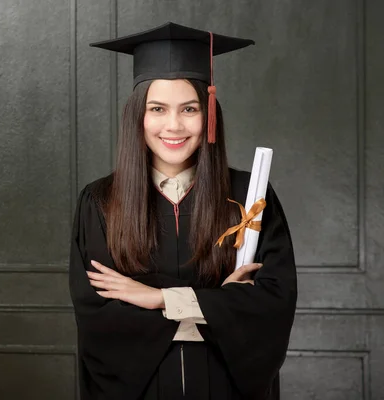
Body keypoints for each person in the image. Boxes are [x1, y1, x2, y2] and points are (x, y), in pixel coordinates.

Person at [69, 22, 297, 400]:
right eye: (157, 108)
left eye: (189, 108)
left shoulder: (249, 198)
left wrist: (157, 298)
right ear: (137, 117)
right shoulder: (100, 202)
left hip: (227, 387)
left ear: (208, 114)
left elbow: (269, 305)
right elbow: (101, 319)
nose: (173, 125)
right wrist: (216, 307)